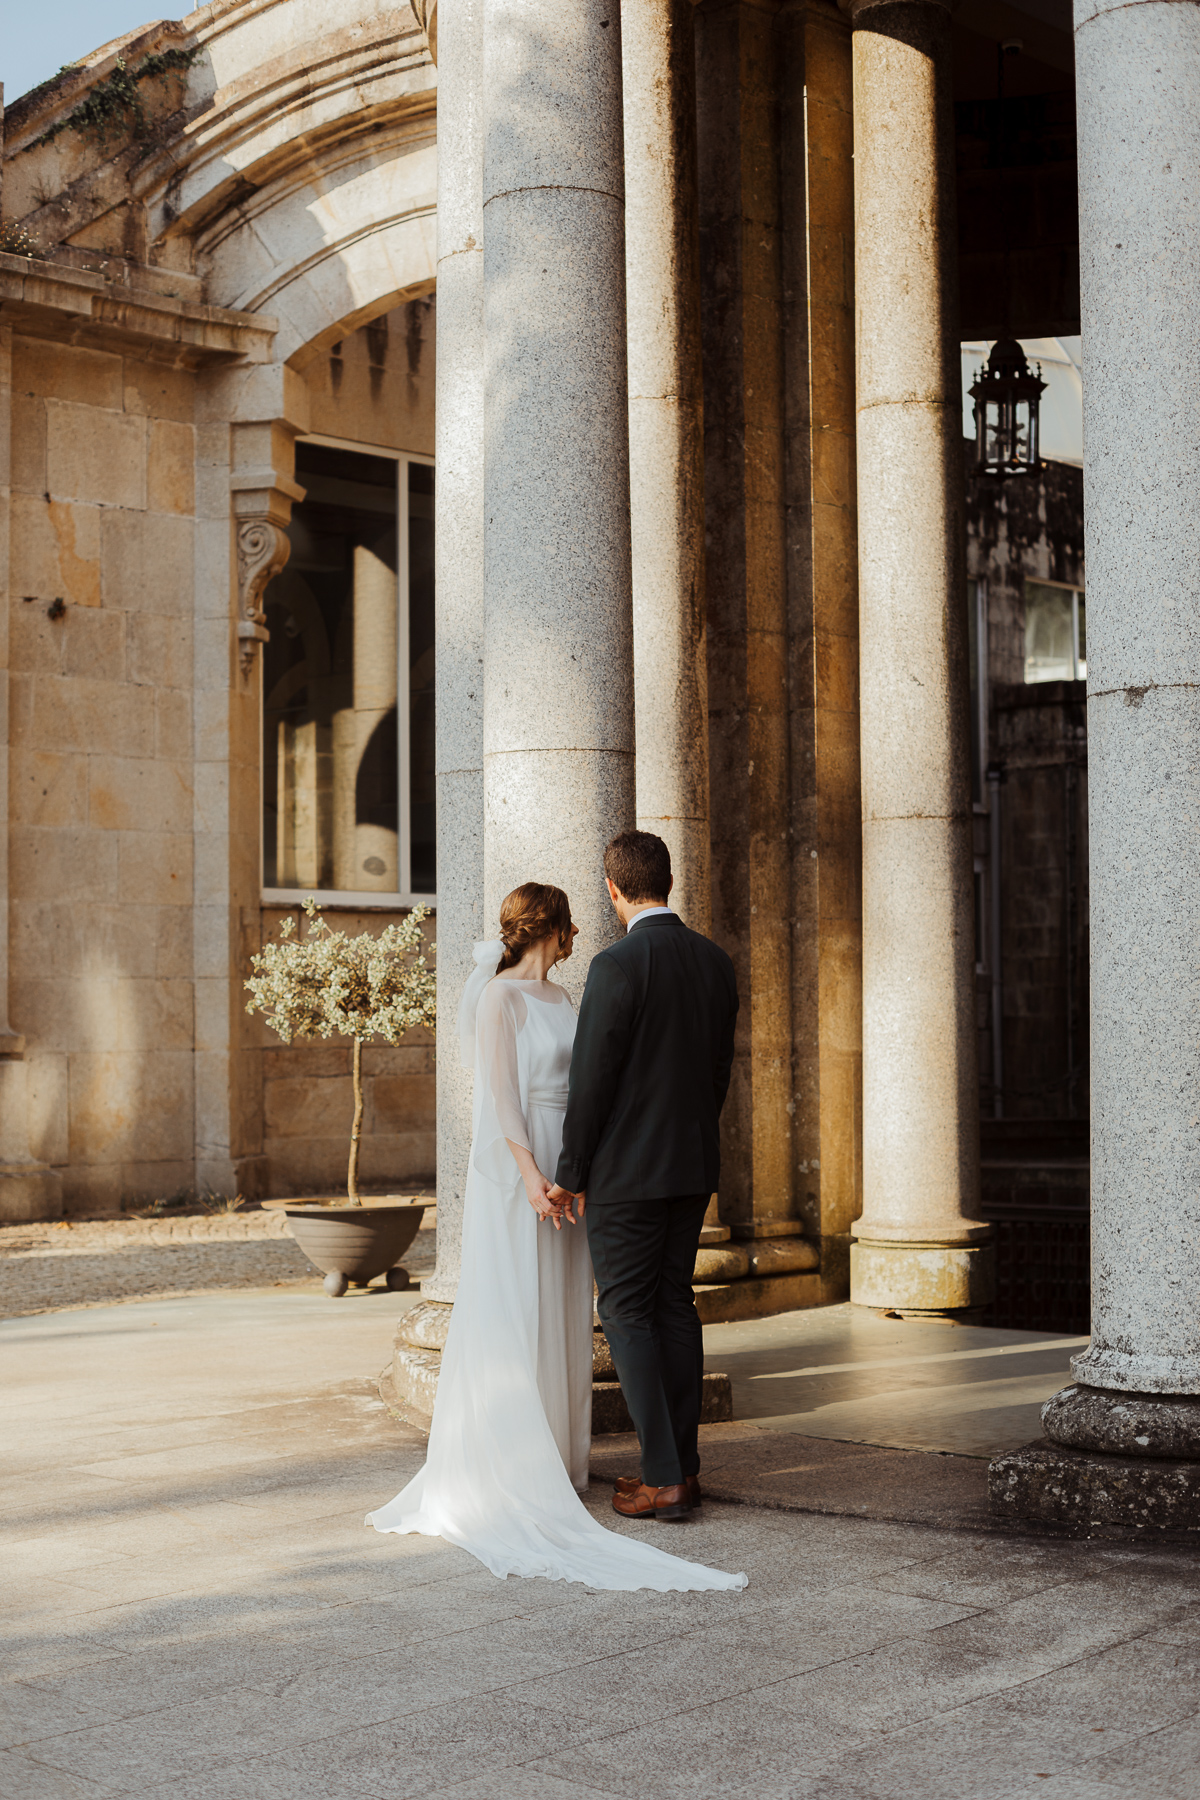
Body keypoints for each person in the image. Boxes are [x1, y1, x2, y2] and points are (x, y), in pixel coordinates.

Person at [366, 879, 746, 1593]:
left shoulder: (565, 998)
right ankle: (512, 1464)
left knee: (567, 1305)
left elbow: (593, 1082)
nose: (578, 935)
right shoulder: (499, 997)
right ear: (555, 926)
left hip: (576, 1169)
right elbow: (500, 1097)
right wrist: (534, 1174)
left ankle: (563, 1459)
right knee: (516, 1301)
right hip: (524, 1170)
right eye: (570, 924)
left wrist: (578, 1171)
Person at [549, 831, 739, 1522]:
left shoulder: (617, 965)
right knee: (673, 1307)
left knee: (627, 1315)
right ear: (669, 881)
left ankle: (664, 1478)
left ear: (613, 890)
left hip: (627, 1174)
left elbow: (591, 1082)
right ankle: (681, 1469)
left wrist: (571, 1172)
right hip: (690, 1167)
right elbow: (717, 1073)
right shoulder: (716, 963)